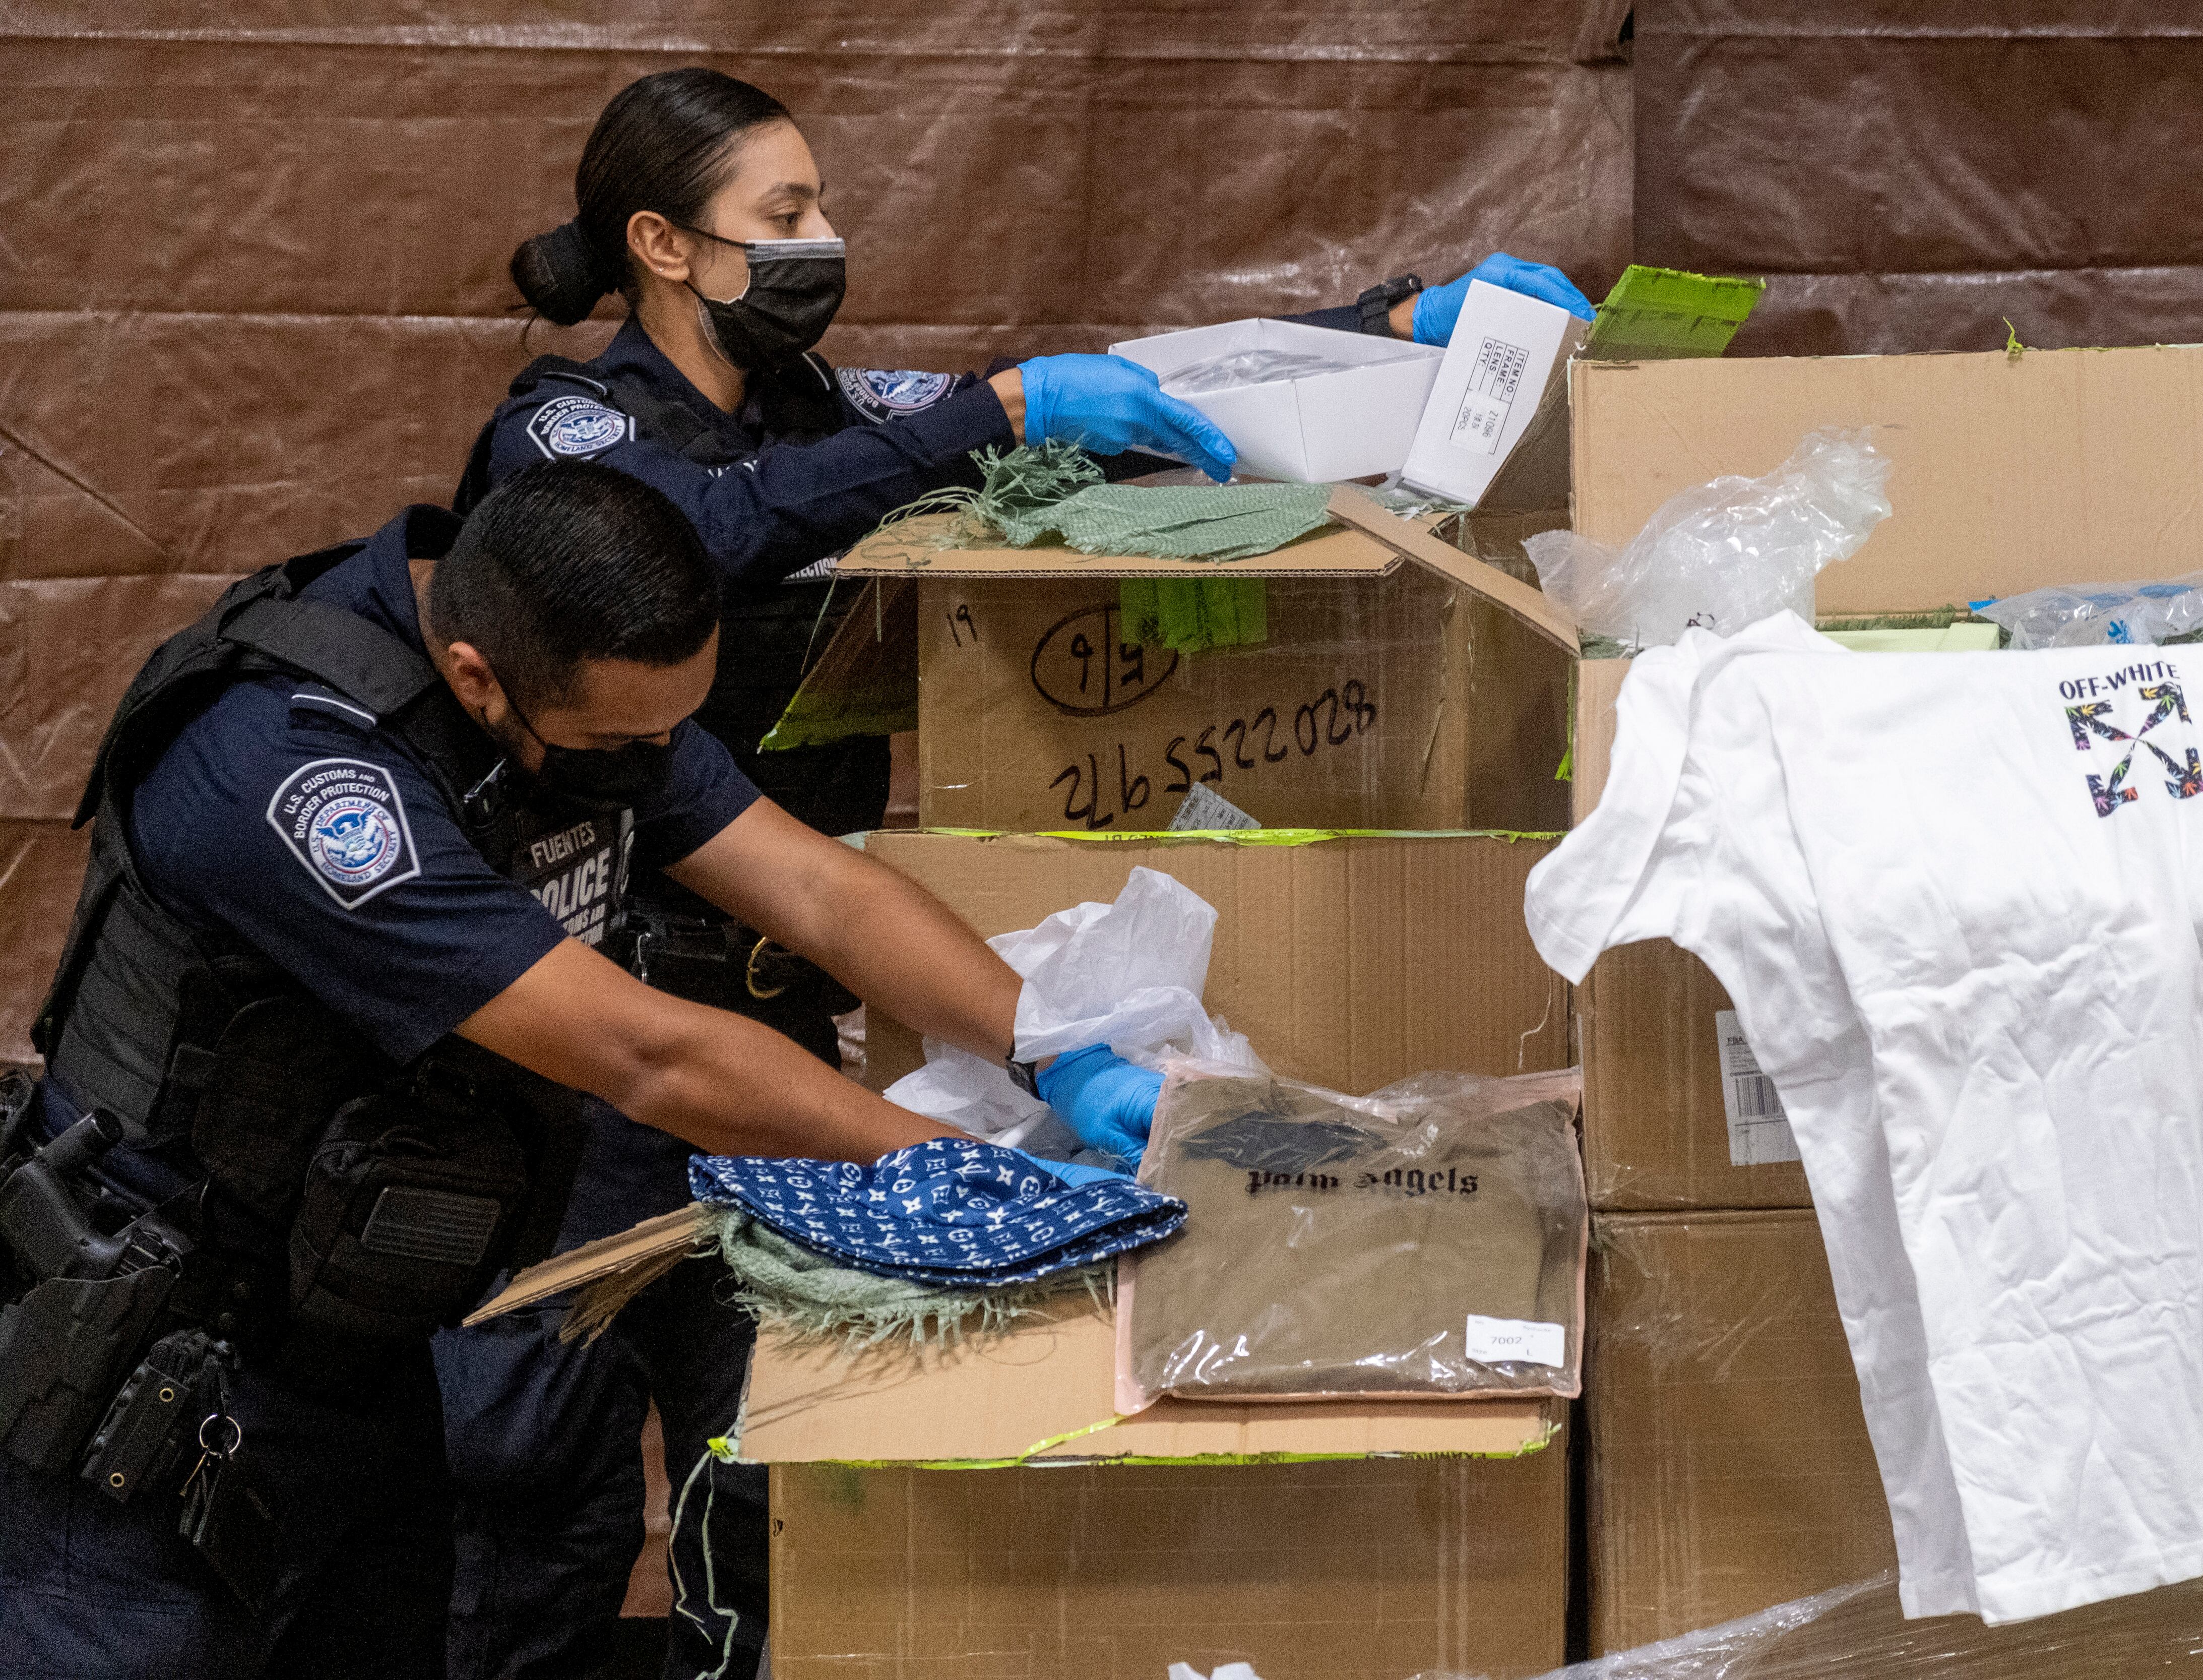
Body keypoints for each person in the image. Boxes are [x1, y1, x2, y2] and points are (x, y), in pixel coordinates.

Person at [435, 63, 1596, 1680]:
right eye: (785, 217)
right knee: (530, 1487)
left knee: (761, 1460)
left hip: (790, 1009)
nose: (823, 240)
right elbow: (697, 528)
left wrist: (1384, 322)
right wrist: (991, 414)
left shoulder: (825, 414)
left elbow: (1115, 391)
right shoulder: (570, 426)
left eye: (823, 207)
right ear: (663, 243)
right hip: (584, 1035)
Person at [0, 460, 1155, 1678]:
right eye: (625, 741)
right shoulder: (295, 771)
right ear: (477, 681)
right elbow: (645, 1051)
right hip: (153, 1381)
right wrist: (956, 1164)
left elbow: (817, 886)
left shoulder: (582, 683)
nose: (655, 761)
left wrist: (1049, 1041)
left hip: (356, 1339)